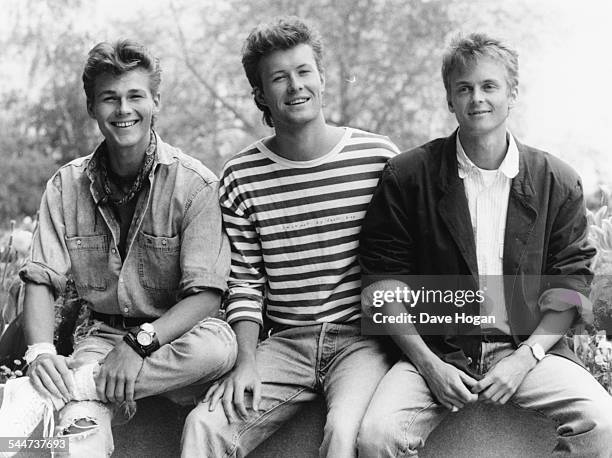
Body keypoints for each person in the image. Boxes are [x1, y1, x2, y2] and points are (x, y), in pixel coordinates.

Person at [356, 33, 612, 457]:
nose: (477, 98)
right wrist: (428, 366)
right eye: (464, 88)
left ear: (512, 94)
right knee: (377, 436)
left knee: (604, 423)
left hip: (527, 345)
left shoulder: (557, 180)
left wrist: (525, 357)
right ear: (449, 99)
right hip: (437, 347)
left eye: (489, 86)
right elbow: (381, 287)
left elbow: (571, 285)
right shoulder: (407, 175)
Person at [0, 39, 237, 457]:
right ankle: (81, 389)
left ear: (156, 101)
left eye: (135, 96)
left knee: (220, 347)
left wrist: (139, 346)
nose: (123, 110)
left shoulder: (196, 184)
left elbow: (205, 295)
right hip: (103, 336)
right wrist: (39, 353)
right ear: (93, 107)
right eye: (110, 99)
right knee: (80, 430)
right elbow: (40, 277)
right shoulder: (66, 185)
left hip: (178, 338)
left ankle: (77, 383)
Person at [181, 16, 399, 458]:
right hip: (284, 343)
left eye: (303, 72)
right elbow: (245, 281)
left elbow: (405, 258)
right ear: (261, 94)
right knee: (205, 424)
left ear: (322, 78)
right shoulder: (241, 175)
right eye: (279, 78)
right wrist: (245, 362)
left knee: (343, 435)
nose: (295, 86)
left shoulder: (377, 157)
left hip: (361, 340)